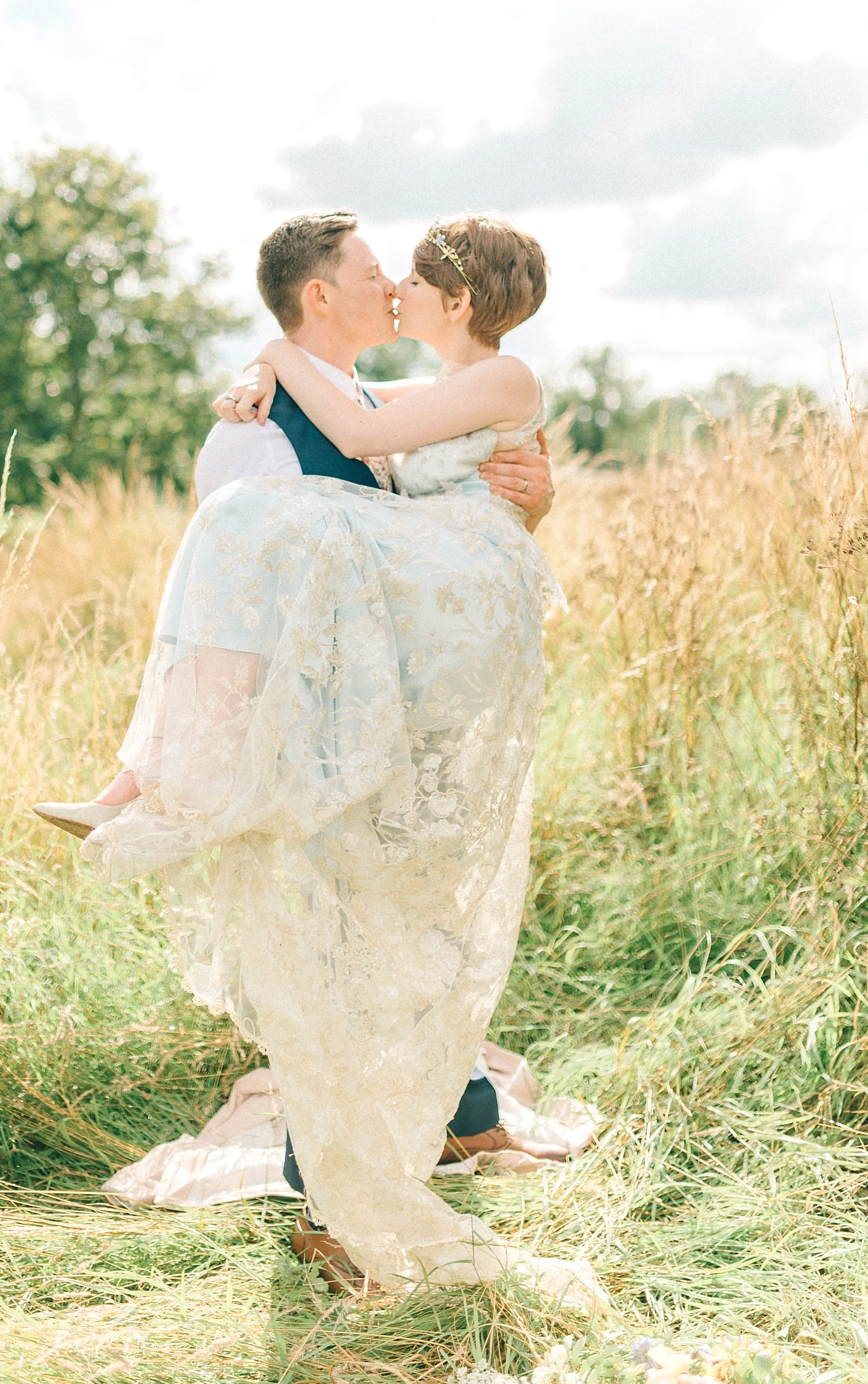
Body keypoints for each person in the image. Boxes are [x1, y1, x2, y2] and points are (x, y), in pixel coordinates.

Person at [35, 211, 602, 1307]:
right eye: (375, 274)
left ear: (457, 301)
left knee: (399, 921)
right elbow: (338, 479)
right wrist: (265, 367)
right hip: (346, 720)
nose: (393, 289)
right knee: (340, 937)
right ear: (319, 297)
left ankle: (418, 1138)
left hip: (430, 668)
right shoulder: (259, 432)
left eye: (410, 279)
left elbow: (413, 453)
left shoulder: (427, 390)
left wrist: (278, 355)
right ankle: (343, 1185)